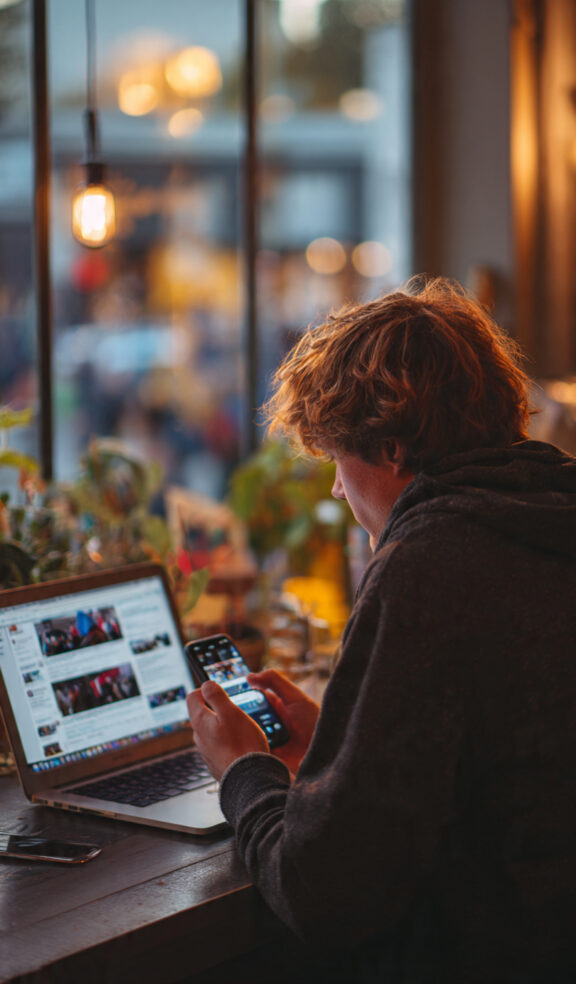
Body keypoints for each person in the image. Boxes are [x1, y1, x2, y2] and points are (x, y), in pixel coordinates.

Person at [186, 278, 576, 983]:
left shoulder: (431, 558)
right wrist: (342, 745)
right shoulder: (544, 511)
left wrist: (245, 773)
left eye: (340, 459)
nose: (337, 489)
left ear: (393, 451)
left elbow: (323, 891)